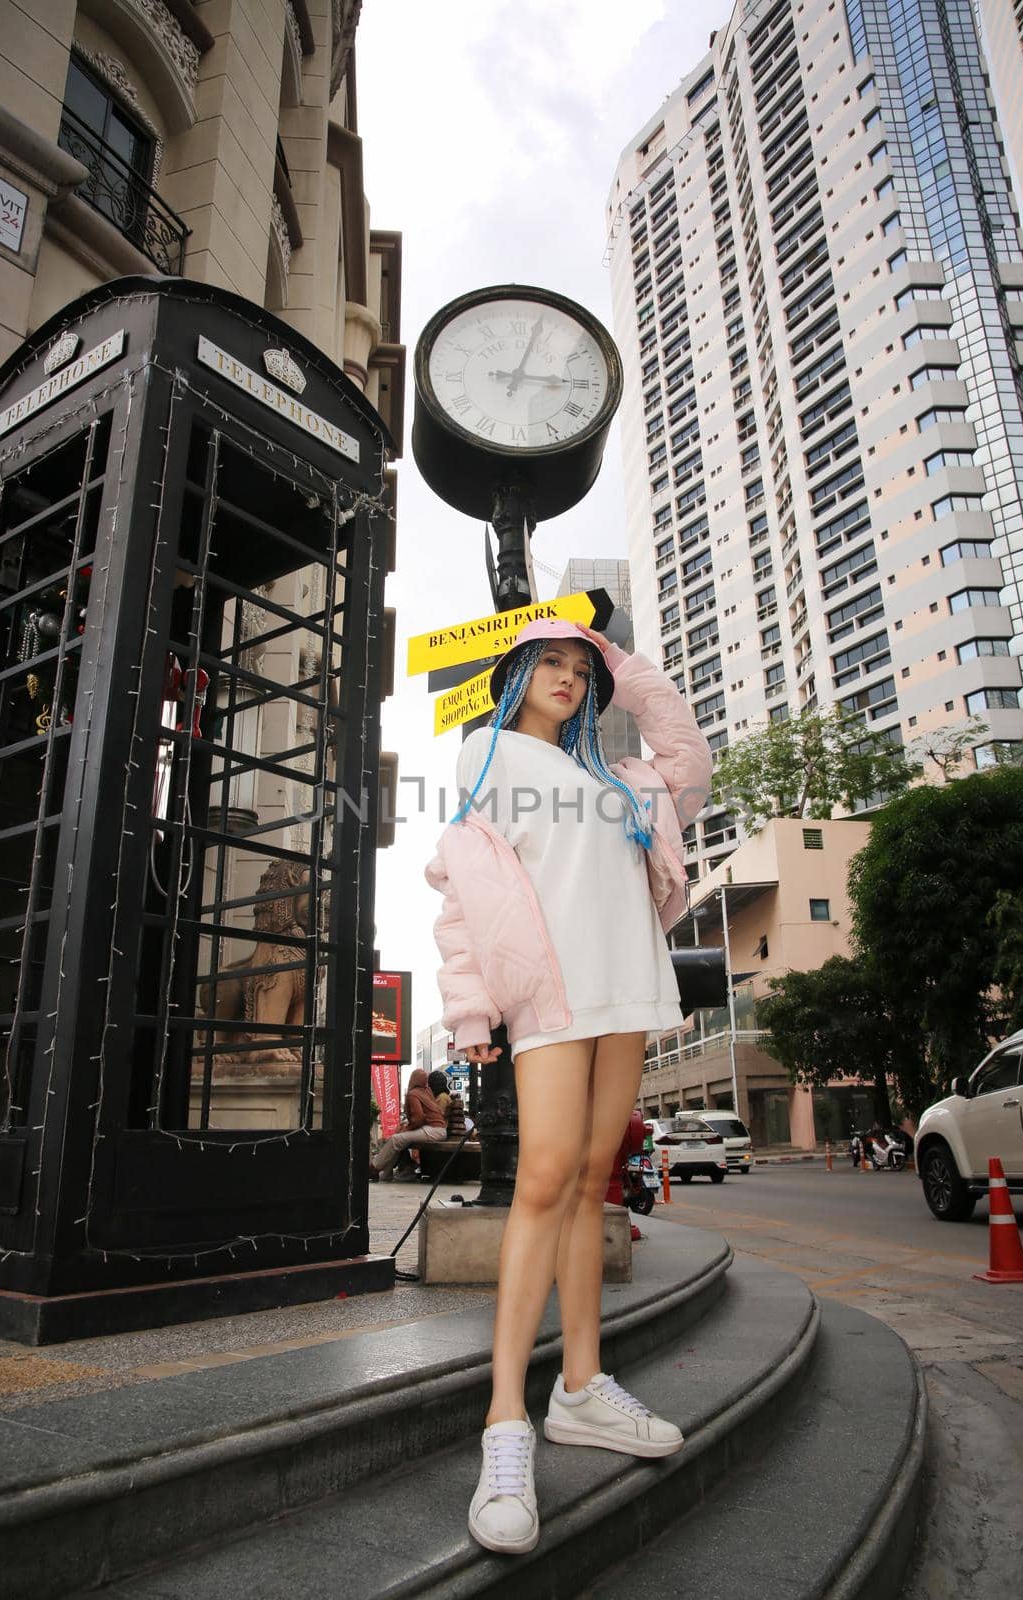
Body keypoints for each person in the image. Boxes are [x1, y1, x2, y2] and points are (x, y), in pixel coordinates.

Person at [426, 618, 711, 1556]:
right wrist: (470, 1008)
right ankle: (504, 1421)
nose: (567, 677)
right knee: (544, 1178)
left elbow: (689, 760)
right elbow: (458, 885)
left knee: (594, 1181)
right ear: (516, 674)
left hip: (626, 982)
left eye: (580, 669)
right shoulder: (489, 754)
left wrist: (626, 670)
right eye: (549, 660)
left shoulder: (623, 781)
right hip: (549, 990)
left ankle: (581, 1390)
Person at [370, 1067, 447, 1180]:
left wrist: (408, 1128)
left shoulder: (413, 1094)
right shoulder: (428, 1092)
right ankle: (386, 1174)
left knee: (396, 1139)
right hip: (439, 1130)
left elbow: (419, 1118)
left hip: (432, 1130)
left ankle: (374, 1167)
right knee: (399, 1141)